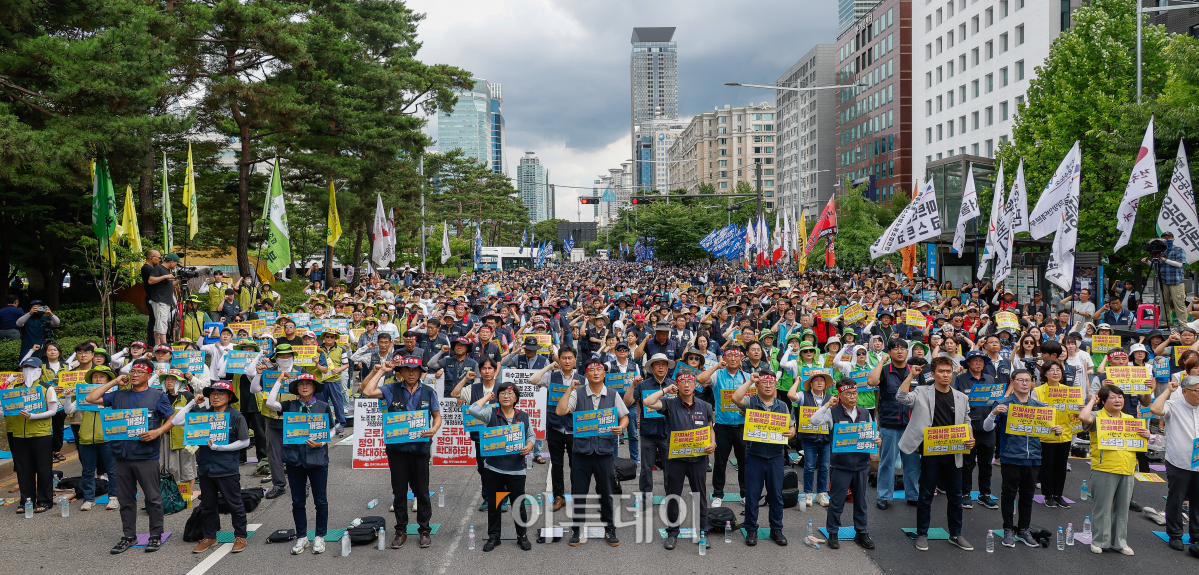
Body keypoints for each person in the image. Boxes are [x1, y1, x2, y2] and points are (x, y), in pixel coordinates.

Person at [84, 358, 176, 554]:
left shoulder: (157, 396)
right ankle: (128, 536)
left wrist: (158, 432)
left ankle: (155, 535)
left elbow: (172, 417)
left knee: (153, 498)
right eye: (133, 371)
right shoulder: (119, 395)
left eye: (140, 372)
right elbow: (90, 398)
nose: (134, 375)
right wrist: (114, 382)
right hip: (121, 455)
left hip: (146, 455)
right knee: (125, 499)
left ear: (149, 375)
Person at [361, 355, 442, 548]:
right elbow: (368, 391)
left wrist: (434, 429)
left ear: (421, 372)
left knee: (422, 491)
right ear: (401, 372)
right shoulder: (391, 388)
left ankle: (424, 530)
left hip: (420, 448)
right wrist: (382, 371)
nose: (411, 373)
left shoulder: (429, 391)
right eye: (407, 370)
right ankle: (400, 530)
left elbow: (437, 416)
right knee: (399, 491)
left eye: (415, 370)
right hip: (397, 449)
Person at [897, 356, 975, 552]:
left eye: (948, 371)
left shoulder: (961, 397)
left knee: (955, 496)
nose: (945, 375)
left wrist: (970, 437)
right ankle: (922, 534)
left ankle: (956, 534)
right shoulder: (922, 391)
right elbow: (901, 397)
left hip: (954, 452)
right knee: (925, 495)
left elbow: (967, 421)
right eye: (941, 371)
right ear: (933, 374)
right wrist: (911, 376)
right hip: (930, 452)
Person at [555, 357, 629, 546]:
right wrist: (569, 389)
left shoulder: (612, 394)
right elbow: (560, 411)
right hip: (581, 453)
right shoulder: (578, 393)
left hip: (604, 452)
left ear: (604, 373)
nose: (596, 373)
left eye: (599, 370)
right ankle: (577, 530)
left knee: (606, 493)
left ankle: (610, 529)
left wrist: (621, 427)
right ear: (586, 374)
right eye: (591, 370)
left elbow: (625, 417)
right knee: (579, 493)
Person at [171, 381, 251, 554]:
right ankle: (209, 536)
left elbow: (245, 441)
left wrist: (220, 447)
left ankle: (240, 536)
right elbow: (176, 421)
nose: (216, 397)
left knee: (234, 504)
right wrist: (192, 403)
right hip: (206, 468)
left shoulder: (236, 416)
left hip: (227, 468)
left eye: (220, 394)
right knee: (207, 505)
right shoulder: (202, 415)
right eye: (213, 393)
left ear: (229, 397)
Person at [984, 369, 1061, 547]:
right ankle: (1008, 529)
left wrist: (1057, 430)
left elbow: (1048, 431)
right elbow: (987, 428)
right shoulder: (1003, 403)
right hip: (1011, 457)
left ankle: (1024, 530)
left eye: (1028, 380)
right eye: (1020, 380)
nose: (1025, 383)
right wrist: (993, 413)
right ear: (1013, 382)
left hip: (1033, 457)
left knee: (1027, 496)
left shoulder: (1039, 406)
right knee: (1009, 495)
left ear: (1032, 383)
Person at [643, 372, 714, 551]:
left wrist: (713, 443)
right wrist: (666, 390)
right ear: (677, 385)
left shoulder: (705, 406)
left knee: (700, 496)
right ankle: (672, 533)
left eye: (690, 381)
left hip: (698, 459)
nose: (687, 385)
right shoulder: (670, 403)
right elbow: (648, 402)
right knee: (673, 495)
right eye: (683, 382)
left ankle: (703, 532)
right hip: (675, 459)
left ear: (695, 385)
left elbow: (710, 428)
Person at [266, 373, 334, 555]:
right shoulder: (290, 405)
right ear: (296, 388)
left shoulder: (323, 406)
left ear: (314, 387)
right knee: (297, 501)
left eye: (308, 384)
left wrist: (322, 442)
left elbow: (333, 429)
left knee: (321, 500)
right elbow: (270, 403)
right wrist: (279, 381)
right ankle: (302, 536)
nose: (304, 387)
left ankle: (320, 536)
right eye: (301, 384)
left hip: (317, 458)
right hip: (294, 459)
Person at [810, 379, 880, 550]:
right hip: (841, 465)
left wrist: (877, 440)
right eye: (848, 394)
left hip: (861, 465)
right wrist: (828, 404)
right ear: (840, 395)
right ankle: (833, 532)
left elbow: (873, 433)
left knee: (861, 501)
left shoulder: (865, 412)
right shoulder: (832, 412)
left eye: (854, 393)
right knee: (837, 501)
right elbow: (814, 420)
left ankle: (861, 532)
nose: (852, 397)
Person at [467, 379, 536, 552]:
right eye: (502, 393)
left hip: (516, 469)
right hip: (494, 468)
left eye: (510, 393)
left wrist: (529, 446)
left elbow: (531, 436)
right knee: (494, 504)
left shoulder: (523, 416)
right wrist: (487, 397)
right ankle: (494, 537)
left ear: (516, 398)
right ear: (497, 397)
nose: (506, 396)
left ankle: (522, 536)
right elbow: (473, 409)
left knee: (518, 504)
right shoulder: (490, 413)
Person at [1078, 384, 1146, 555]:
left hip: (1127, 468)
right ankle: (1099, 541)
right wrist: (1092, 401)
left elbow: (1140, 440)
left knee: (1122, 509)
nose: (1118, 400)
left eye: (1120, 397)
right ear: (1103, 401)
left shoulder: (1129, 418)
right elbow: (1083, 417)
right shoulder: (1097, 416)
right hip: (1104, 468)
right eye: (1113, 397)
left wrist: (1147, 435)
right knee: (1103, 508)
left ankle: (1119, 542)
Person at [732, 373, 794, 546]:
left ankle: (776, 529)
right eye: (764, 382)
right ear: (757, 386)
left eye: (771, 383)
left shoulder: (782, 405)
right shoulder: (751, 402)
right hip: (754, 455)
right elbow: (735, 398)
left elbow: (792, 426)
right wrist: (750, 381)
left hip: (775, 456)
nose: (768, 386)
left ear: (775, 386)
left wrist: (791, 432)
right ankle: (751, 529)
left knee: (776, 495)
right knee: (752, 495)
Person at [867, 337, 921, 510]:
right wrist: (881, 362)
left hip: (912, 426)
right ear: (889, 352)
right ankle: (884, 496)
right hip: (890, 424)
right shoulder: (884, 370)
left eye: (903, 348)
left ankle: (913, 495)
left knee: (912, 464)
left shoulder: (915, 371)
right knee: (887, 463)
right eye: (895, 348)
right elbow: (871, 382)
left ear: (907, 352)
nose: (899, 351)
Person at [1149, 374, 1199, 556]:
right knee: (1176, 499)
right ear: (1185, 392)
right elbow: (1155, 409)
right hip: (1179, 460)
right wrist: (1168, 391)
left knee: (1197, 500)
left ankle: (1196, 533)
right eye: (1197, 390)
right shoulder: (1174, 405)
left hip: (1198, 462)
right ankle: (1175, 534)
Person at [530, 347, 584, 511]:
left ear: (575, 360)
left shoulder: (582, 379)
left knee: (576, 465)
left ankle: (576, 496)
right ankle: (559, 497)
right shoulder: (551, 377)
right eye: (564, 358)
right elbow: (533, 380)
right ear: (559, 360)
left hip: (575, 429)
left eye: (570, 358)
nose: (567, 361)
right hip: (555, 427)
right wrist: (548, 367)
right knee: (557, 464)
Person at [63, 365, 120, 511]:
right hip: (86, 437)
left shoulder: (114, 394)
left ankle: (113, 497)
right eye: (95, 376)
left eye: (102, 376)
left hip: (108, 437)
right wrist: (68, 396)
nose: (98, 379)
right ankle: (88, 499)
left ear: (108, 379)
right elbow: (69, 410)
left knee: (112, 470)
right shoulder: (84, 394)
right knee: (87, 471)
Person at [5, 356, 59, 514]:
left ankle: (45, 500)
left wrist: (33, 416)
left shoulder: (46, 388)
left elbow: (53, 411)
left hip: (40, 433)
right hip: (19, 434)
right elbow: (5, 410)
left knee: (43, 468)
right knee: (23, 469)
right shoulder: (14, 388)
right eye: (25, 368)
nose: (28, 371)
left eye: (32, 368)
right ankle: (26, 500)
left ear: (39, 370)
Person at [697, 347, 750, 507]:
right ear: (724, 358)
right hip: (722, 426)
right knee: (720, 463)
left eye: (736, 356)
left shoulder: (747, 377)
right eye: (729, 356)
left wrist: (746, 410)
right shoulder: (717, 374)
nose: (733, 359)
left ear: (741, 358)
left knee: (744, 462)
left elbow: (754, 399)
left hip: (742, 425)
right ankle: (718, 494)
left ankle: (745, 493)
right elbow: (700, 379)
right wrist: (716, 366)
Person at [953, 350, 999, 510]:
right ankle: (965, 493)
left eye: (981, 360)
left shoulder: (990, 379)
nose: (978, 363)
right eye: (975, 360)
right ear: (968, 363)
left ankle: (985, 494)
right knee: (967, 464)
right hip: (969, 427)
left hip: (988, 427)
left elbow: (996, 400)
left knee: (986, 464)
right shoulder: (960, 379)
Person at [1033, 360, 1077, 509]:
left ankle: (1058, 494)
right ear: (1045, 374)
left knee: (1061, 466)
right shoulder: (1038, 391)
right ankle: (1048, 495)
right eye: (1052, 370)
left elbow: (1073, 413)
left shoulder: (1068, 390)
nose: (1056, 373)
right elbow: (1032, 414)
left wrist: (1078, 408)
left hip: (1065, 433)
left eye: (1058, 370)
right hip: (1046, 435)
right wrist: (1040, 408)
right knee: (1047, 466)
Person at [788, 371, 834, 507]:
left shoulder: (831, 398)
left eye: (822, 380)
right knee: (809, 466)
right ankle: (808, 493)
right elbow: (790, 395)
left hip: (825, 438)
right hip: (809, 438)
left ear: (825, 384)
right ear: (811, 383)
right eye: (816, 380)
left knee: (824, 467)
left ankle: (821, 493)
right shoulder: (804, 395)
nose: (819, 383)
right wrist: (797, 381)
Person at [1143, 231, 1190, 326]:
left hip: (1176, 281)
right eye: (1164, 238)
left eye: (1168, 238)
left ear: (1173, 239)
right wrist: (1148, 262)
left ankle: (1183, 324)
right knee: (1164, 303)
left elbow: (1180, 264)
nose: (1166, 240)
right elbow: (1156, 267)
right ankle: (1165, 323)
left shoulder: (1179, 250)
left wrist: (1165, 259)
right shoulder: (1160, 251)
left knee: (1179, 302)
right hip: (1163, 281)